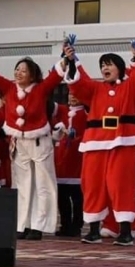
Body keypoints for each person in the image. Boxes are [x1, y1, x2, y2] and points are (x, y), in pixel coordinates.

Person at [64, 29, 135, 245]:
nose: (105, 67)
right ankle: (93, 229)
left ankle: (125, 231)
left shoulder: (130, 86)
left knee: (120, 185)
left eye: (110, 64)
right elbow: (77, 83)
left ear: (120, 69)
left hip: (123, 142)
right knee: (93, 186)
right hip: (95, 143)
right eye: (103, 65)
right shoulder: (95, 89)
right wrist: (72, 60)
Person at [0, 41, 66, 240]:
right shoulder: (8, 89)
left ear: (32, 75)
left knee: (43, 183)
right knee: (21, 184)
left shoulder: (40, 89)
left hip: (40, 141)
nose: (18, 73)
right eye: (17, 69)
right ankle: (22, 224)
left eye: (23, 70)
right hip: (19, 143)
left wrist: (66, 57)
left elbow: (56, 75)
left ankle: (39, 226)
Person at [52, 91, 87, 237]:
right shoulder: (62, 111)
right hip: (61, 159)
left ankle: (77, 225)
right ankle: (65, 224)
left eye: (76, 94)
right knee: (62, 197)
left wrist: (75, 138)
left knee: (78, 197)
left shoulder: (86, 114)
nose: (72, 97)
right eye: (70, 94)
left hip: (78, 159)